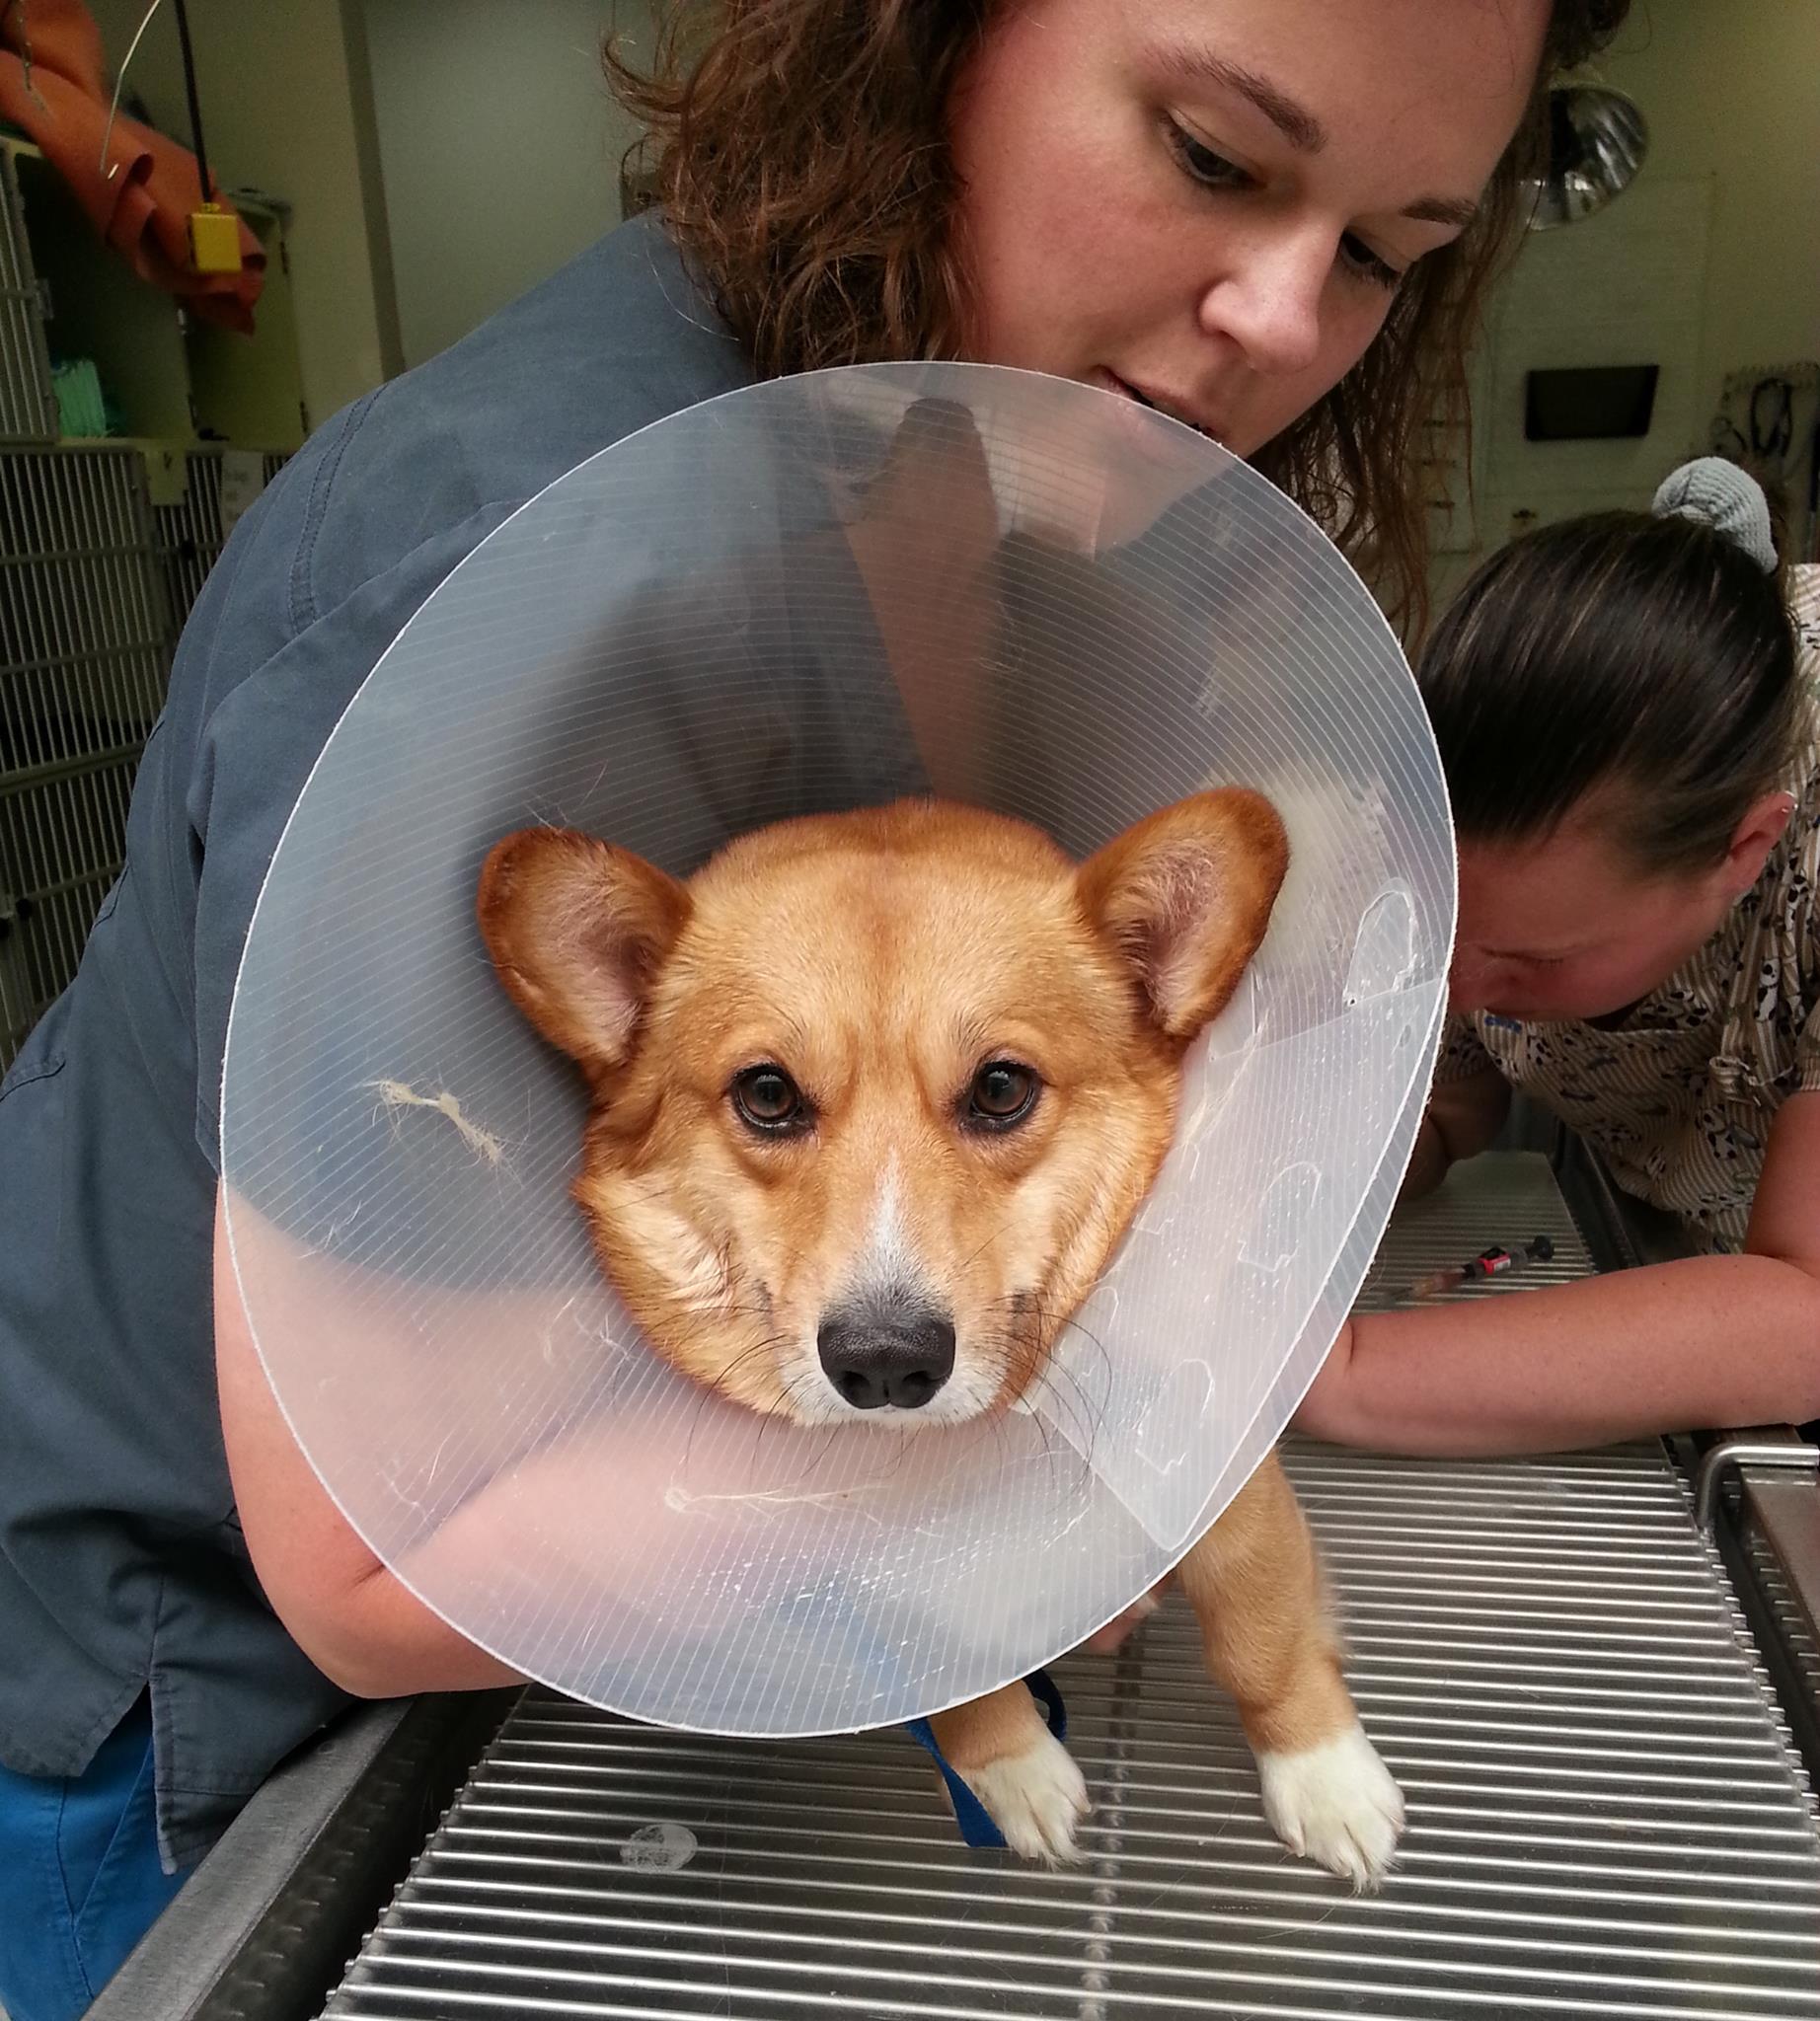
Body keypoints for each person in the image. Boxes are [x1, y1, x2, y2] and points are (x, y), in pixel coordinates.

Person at [0, 2, 1632, 2013]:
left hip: (612, 1584)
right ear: (924, 34)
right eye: (1211, 155)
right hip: (175, 1698)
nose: (1287, 318)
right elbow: (369, 1566)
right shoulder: (506, 555)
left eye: (1383, 250)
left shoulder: (980, 462)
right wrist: (1032, 1510)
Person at [1299, 459, 1820, 1458]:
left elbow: (1804, 1313)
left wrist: (1340, 1371)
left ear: (1743, 850)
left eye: (1527, 962)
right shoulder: (1440, 834)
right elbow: (1451, 1110)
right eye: (1441, 935)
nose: (1457, 989)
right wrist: (1288, 1206)